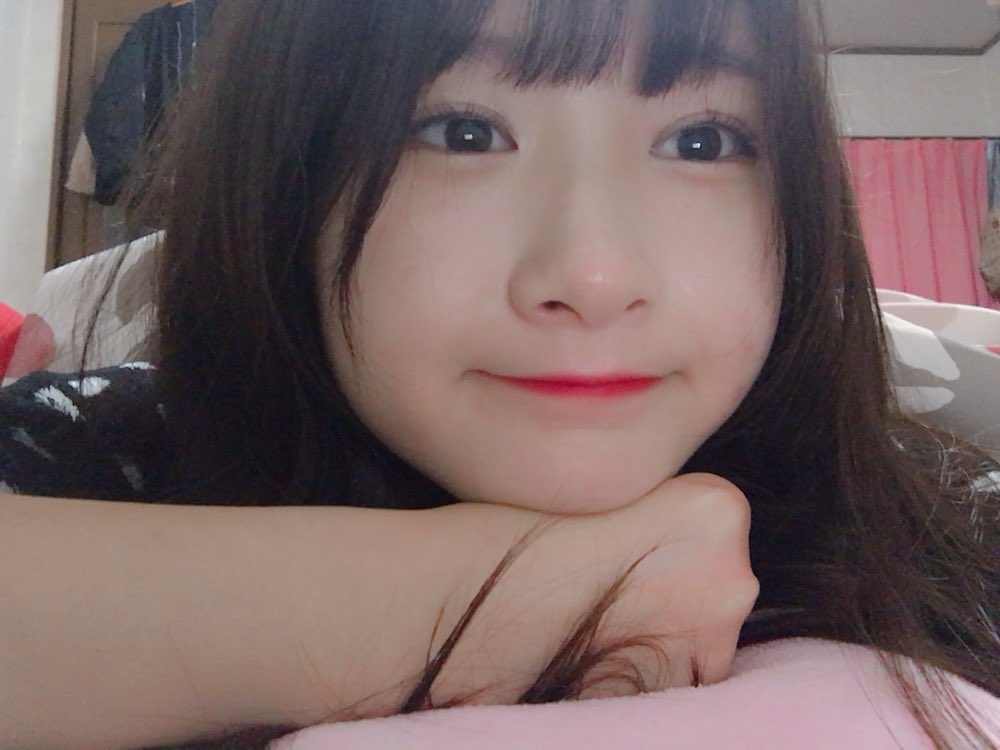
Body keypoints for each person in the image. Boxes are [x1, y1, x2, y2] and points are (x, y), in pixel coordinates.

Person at [0, 0, 997, 748]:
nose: (593, 278)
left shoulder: (947, 526)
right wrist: (510, 599)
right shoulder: (91, 456)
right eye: (462, 132)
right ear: (289, 183)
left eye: (702, 141)